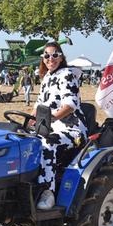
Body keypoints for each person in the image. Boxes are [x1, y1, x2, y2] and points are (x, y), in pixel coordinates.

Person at [32, 42, 87, 210]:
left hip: (72, 129)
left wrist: (53, 117)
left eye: (55, 55)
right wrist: (28, 120)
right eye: (47, 55)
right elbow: (38, 105)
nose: (51, 59)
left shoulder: (67, 74)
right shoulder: (47, 78)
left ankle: (47, 192)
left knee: (48, 143)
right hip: (48, 127)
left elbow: (70, 104)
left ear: (61, 57)